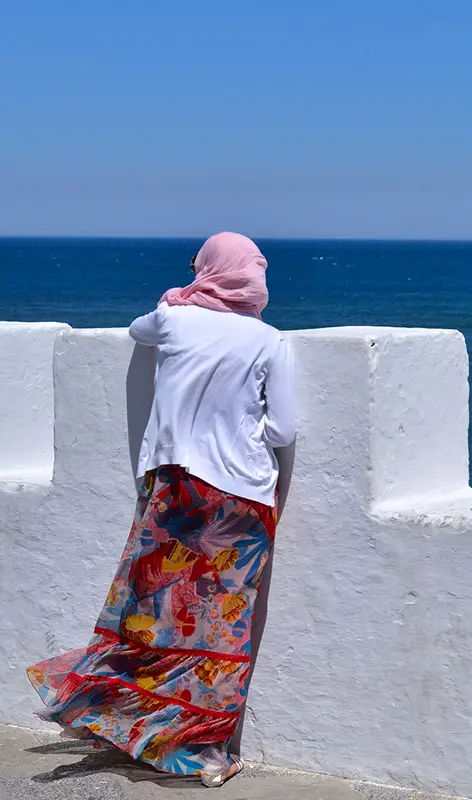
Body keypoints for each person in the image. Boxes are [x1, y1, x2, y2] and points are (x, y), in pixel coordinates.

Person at [26, 232, 296, 788]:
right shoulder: (270, 340)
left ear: (205, 270)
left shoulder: (173, 319)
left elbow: (137, 330)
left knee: (147, 610)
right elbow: (284, 428)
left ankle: (117, 720)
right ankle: (212, 756)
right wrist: (246, 436)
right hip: (241, 498)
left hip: (173, 486)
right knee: (225, 625)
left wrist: (179, 293)